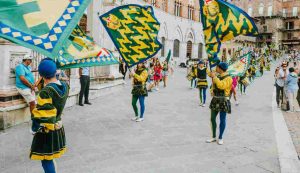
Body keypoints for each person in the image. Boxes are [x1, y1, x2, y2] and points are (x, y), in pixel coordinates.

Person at [30, 58, 69, 173]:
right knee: (50, 158)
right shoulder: (65, 86)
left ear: (41, 75)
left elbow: (42, 116)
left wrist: (34, 129)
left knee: (46, 159)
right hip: (59, 126)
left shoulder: (46, 91)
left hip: (47, 130)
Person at [206, 62, 233, 145]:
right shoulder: (217, 76)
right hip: (215, 99)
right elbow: (213, 86)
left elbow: (222, 85)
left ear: (220, 68)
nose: (216, 69)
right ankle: (213, 137)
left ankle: (220, 137)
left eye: (217, 67)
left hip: (223, 100)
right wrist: (211, 91)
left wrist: (214, 77)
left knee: (222, 119)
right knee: (212, 118)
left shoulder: (229, 78)